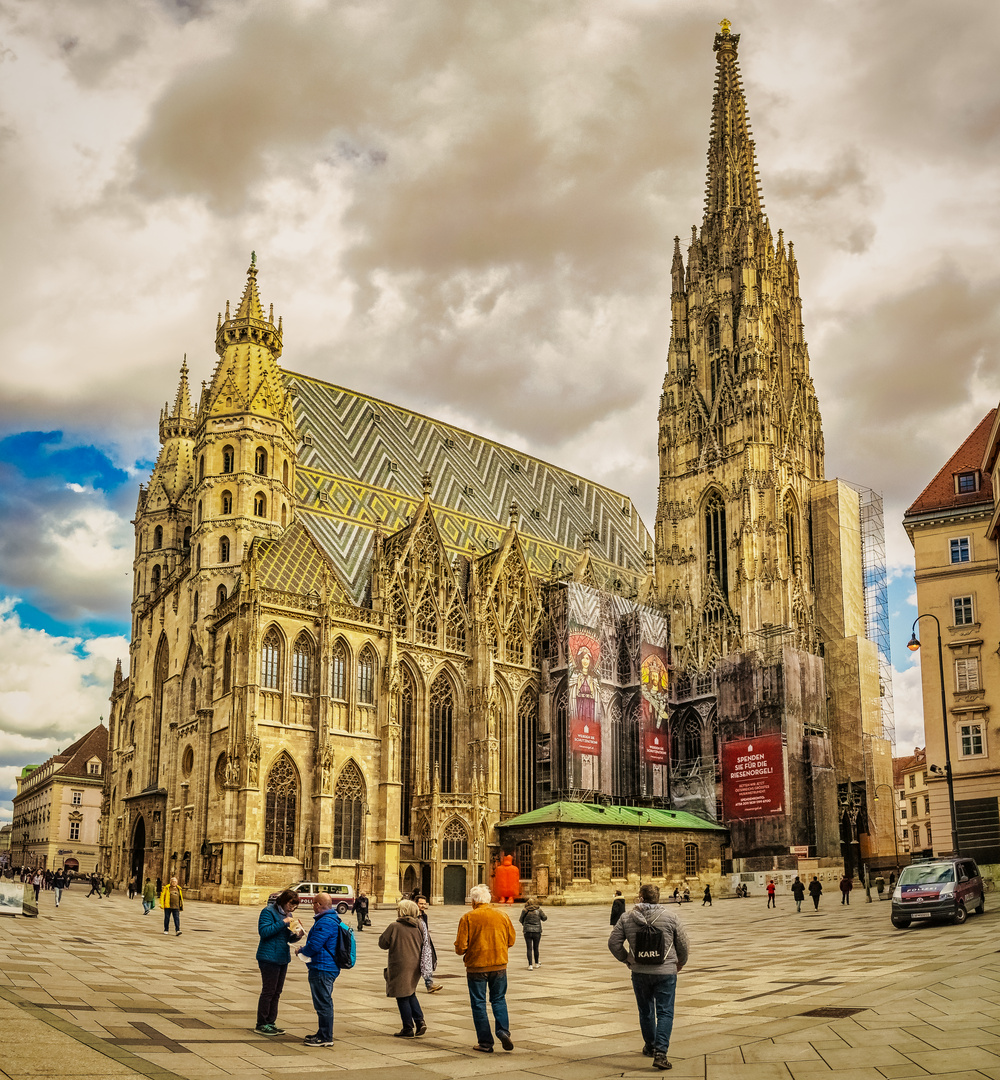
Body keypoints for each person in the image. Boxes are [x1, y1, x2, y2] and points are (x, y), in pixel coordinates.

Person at [608, 882, 689, 1072]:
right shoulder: (671, 917)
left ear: (641, 897)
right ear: (657, 898)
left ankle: (650, 1045)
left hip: (640, 972)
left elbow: (613, 943)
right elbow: (683, 944)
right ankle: (661, 1053)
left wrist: (627, 959)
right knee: (665, 1012)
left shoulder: (627, 918)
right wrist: (680, 962)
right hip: (665, 972)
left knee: (645, 1011)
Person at [454, 882, 516, 1054]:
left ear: (474, 902)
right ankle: (503, 1031)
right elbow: (511, 940)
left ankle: (485, 1042)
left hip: (477, 967)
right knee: (499, 999)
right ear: (489, 900)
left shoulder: (468, 917)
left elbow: (460, 947)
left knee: (479, 1003)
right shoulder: (502, 915)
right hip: (499, 965)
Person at [296, 892, 343, 1047]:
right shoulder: (331, 919)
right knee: (323, 1002)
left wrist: (301, 950)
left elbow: (315, 946)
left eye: (314, 904)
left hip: (323, 967)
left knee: (323, 1003)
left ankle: (325, 1037)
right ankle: (322, 1032)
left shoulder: (325, 922)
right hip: (326, 966)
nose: (313, 907)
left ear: (318, 904)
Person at [255, 889, 304, 1037]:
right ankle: (261, 1023)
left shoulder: (288, 915)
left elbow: (288, 939)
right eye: (291, 904)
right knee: (268, 991)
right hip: (268, 957)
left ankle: (271, 1022)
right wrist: (283, 923)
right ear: (283, 901)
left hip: (282, 957)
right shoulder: (268, 912)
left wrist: (298, 935)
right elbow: (264, 932)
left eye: (295, 905)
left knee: (277, 992)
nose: (292, 908)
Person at [379, 899, 429, 1038]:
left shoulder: (394, 926)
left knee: (402, 995)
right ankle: (420, 1021)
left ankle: (408, 1027)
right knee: (410, 992)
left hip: (400, 965)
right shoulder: (420, 925)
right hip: (416, 965)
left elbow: (383, 944)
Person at [416, 896, 443, 993]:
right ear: (416, 904)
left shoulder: (424, 916)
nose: (423, 906)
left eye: (424, 903)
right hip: (415, 944)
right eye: (421, 904)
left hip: (425, 943)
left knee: (426, 963)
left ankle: (429, 985)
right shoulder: (412, 916)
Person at [519, 896, 547, 969]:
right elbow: (544, 918)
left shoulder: (525, 910)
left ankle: (530, 965)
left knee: (529, 948)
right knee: (536, 947)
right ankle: (537, 963)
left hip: (527, 931)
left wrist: (525, 924)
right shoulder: (539, 910)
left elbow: (520, 920)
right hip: (537, 931)